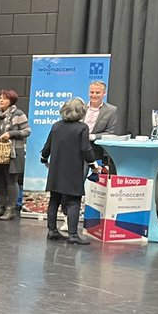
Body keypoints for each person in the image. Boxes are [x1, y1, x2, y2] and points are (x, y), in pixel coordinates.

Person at [41, 97, 96, 245]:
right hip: (73, 170)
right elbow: (86, 149)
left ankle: (51, 231)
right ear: (81, 112)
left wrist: (44, 158)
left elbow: (47, 146)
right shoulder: (82, 128)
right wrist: (93, 164)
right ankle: (72, 235)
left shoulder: (56, 126)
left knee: (54, 200)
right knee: (73, 201)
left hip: (56, 169)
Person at [0, 89, 30, 220]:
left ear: (11, 101)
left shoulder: (18, 114)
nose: (1, 100)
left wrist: (10, 134)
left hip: (14, 152)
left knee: (11, 181)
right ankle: (0, 207)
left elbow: (27, 131)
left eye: (5, 98)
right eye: (0, 98)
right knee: (0, 181)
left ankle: (11, 209)